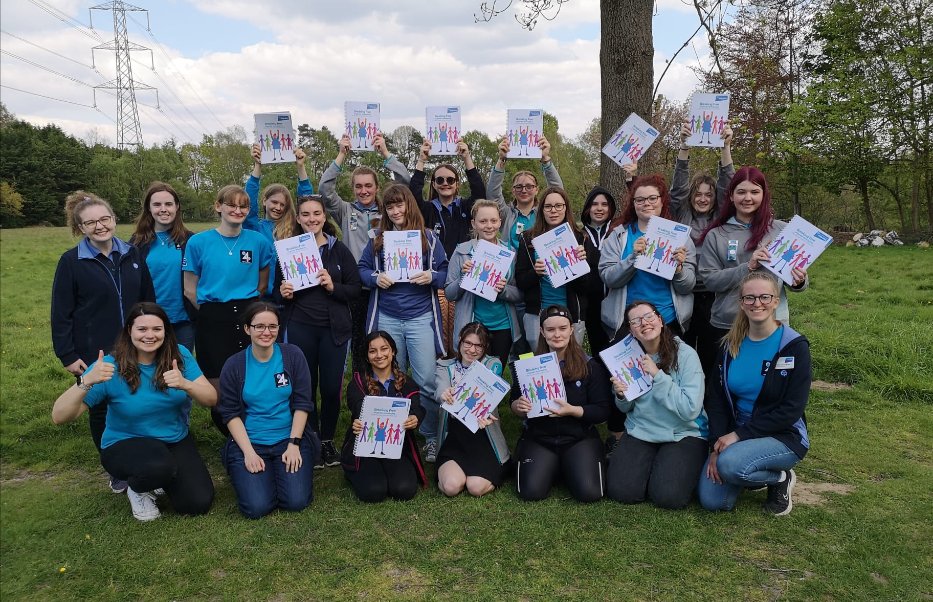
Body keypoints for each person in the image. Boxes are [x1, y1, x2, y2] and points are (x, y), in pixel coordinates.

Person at [52, 302, 216, 521]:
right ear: (129, 331)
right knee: (159, 466)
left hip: (173, 439)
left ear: (166, 331)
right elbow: (59, 416)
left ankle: (159, 478)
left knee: (197, 503)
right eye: (142, 329)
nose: (150, 335)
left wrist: (187, 384)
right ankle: (138, 488)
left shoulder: (179, 356)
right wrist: (87, 381)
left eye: (157, 329)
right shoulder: (110, 367)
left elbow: (211, 399)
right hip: (124, 443)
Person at [51, 191, 155, 493]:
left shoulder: (132, 254)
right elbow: (61, 313)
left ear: (114, 219)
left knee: (137, 400)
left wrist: (153, 337)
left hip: (138, 345)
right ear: (80, 227)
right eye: (90, 222)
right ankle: (116, 468)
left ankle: (146, 460)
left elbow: (148, 299)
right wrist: (67, 355)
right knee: (101, 409)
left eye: (104, 219)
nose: (99, 226)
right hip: (94, 351)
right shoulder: (71, 262)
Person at [697, 272, 812, 515]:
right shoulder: (730, 345)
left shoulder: (794, 346)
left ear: (775, 301)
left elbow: (792, 409)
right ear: (741, 303)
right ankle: (747, 469)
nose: (756, 303)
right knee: (713, 502)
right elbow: (715, 399)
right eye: (749, 298)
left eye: (764, 297)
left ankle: (780, 477)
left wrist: (738, 437)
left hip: (781, 433)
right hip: (736, 431)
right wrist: (717, 444)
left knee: (729, 465)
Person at [598, 175, 697, 452]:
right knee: (624, 378)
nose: (646, 204)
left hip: (666, 319)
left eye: (652, 198)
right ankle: (618, 436)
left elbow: (689, 284)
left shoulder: (680, 236)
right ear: (633, 202)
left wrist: (678, 268)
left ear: (662, 200)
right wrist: (632, 259)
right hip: (626, 321)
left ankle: (669, 434)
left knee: (666, 376)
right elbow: (607, 276)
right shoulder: (620, 234)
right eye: (640, 199)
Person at [357, 184, 448, 462]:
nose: (396, 211)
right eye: (390, 207)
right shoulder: (377, 239)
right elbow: (361, 269)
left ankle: (430, 436)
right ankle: (388, 434)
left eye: (400, 205)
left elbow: (445, 272)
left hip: (420, 317)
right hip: (387, 317)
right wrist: (375, 278)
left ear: (409, 205)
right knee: (388, 377)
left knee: (425, 379)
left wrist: (430, 276)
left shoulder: (429, 238)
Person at [183, 185, 275, 433]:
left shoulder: (258, 241)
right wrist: (211, 312)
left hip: (248, 311)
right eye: (231, 205)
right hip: (213, 314)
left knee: (252, 371)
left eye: (243, 206)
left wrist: (248, 307)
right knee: (217, 376)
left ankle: (256, 426)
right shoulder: (198, 242)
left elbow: (263, 282)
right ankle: (229, 432)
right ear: (218, 206)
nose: (237, 210)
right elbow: (189, 288)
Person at [278, 195, 361, 469]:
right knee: (304, 387)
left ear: (325, 217)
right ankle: (309, 439)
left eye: (316, 214)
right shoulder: (288, 250)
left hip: (333, 331)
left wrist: (332, 286)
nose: (311, 219)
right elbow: (278, 291)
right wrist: (284, 292)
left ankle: (326, 441)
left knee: (329, 387)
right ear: (298, 218)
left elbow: (355, 290)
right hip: (300, 327)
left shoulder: (339, 251)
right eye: (305, 214)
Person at [697, 166, 809, 369]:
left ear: (764, 195)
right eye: (741, 192)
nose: (747, 198)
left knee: (768, 382)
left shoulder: (781, 230)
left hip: (772, 323)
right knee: (727, 382)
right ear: (731, 196)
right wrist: (747, 267)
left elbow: (795, 280)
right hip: (727, 324)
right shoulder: (717, 234)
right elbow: (711, 280)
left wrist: (800, 280)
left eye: (755, 192)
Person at [319, 133, 411, 374]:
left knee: (386, 340)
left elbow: (405, 182)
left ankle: (392, 385)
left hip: (387, 286)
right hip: (356, 289)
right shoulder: (345, 210)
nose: (363, 190)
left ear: (377, 187)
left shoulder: (388, 211)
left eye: (368, 185)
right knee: (361, 339)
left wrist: (385, 153)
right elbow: (325, 190)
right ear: (353, 188)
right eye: (358, 186)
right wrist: (341, 154)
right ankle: (363, 384)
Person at [217, 302, 317, 519]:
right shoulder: (234, 365)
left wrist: (294, 444)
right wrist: (249, 453)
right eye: (259, 326)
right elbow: (230, 413)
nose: (266, 332)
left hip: (287, 439)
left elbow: (303, 403)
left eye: (273, 326)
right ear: (247, 329)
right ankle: (259, 476)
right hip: (251, 441)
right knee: (257, 507)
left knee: (296, 501)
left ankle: (276, 475)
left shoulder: (293, 356)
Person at [605, 301, 708, 509]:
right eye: (635, 321)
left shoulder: (686, 355)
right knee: (621, 491)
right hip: (642, 430)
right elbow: (625, 409)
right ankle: (653, 465)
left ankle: (679, 467)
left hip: (683, 432)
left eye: (649, 317)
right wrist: (622, 396)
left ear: (660, 321)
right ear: (631, 330)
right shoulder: (626, 358)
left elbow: (690, 410)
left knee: (668, 497)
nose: (644, 323)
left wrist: (657, 375)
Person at [510, 305, 612, 502]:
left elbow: (602, 411)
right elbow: (513, 402)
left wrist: (573, 411)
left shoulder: (590, 365)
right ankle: (554, 466)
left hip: (578, 438)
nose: (557, 334)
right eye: (550, 329)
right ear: (542, 331)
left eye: (562, 328)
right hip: (540, 438)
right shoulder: (528, 365)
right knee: (531, 492)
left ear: (571, 329)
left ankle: (570, 464)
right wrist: (518, 407)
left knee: (590, 493)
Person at [409, 138, 487, 353]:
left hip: (464, 274)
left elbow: (480, 192)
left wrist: (467, 158)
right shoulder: (427, 209)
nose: (445, 183)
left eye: (450, 180)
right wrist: (422, 160)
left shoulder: (465, 206)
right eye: (440, 179)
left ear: (457, 183)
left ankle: (460, 366)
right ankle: (442, 368)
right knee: (440, 330)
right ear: (433, 184)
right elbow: (412, 194)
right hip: (437, 277)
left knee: (462, 329)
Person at [670, 123, 735, 375]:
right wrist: (685, 147)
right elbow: (677, 186)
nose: (703, 198)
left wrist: (726, 147)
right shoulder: (681, 213)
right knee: (683, 352)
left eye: (708, 194)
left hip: (713, 295)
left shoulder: (721, 218)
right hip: (684, 293)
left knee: (711, 354)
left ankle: (710, 402)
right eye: (698, 193)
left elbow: (728, 184)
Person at [340, 331, 426, 502]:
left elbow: (418, 408)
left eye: (384, 349)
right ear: (366, 355)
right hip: (366, 449)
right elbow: (357, 409)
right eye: (373, 351)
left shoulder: (407, 382)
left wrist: (415, 418)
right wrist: (358, 422)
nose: (379, 355)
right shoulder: (358, 382)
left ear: (393, 351)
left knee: (404, 490)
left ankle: (391, 473)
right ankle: (353, 472)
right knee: (374, 492)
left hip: (397, 447)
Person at [426, 323, 510, 497]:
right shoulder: (445, 365)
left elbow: (488, 391)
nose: (472, 350)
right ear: (460, 341)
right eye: (468, 343)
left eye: (479, 345)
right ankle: (456, 473)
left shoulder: (492, 364)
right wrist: (444, 393)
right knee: (451, 487)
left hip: (483, 435)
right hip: (454, 436)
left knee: (475, 488)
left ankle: (493, 470)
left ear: (485, 347)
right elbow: (440, 388)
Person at [444, 199, 522, 367]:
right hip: (473, 327)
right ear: (474, 223)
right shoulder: (462, 252)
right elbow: (449, 294)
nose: (489, 226)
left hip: (503, 326)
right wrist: (464, 277)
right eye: (483, 221)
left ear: (500, 222)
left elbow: (519, 294)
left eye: (493, 221)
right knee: (471, 374)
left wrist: (503, 290)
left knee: (495, 374)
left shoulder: (509, 253)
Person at [514, 187, 592, 350]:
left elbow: (588, 287)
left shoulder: (580, 238)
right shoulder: (528, 239)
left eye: (559, 206)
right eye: (548, 206)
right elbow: (520, 281)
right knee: (542, 363)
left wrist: (580, 265)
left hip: (571, 313)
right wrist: (535, 273)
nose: (553, 211)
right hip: (537, 314)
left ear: (566, 208)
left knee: (571, 364)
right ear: (541, 209)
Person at [129, 182, 196, 351]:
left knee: (179, 370)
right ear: (149, 209)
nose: (163, 209)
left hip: (183, 321)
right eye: (157, 204)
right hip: (148, 322)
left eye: (168, 204)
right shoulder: (136, 243)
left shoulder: (191, 240)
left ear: (177, 207)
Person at [246, 144, 313, 296]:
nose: (278, 207)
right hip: (261, 294)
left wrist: (300, 167)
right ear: (264, 201)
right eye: (274, 202)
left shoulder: (294, 227)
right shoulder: (255, 227)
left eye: (283, 204)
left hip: (290, 294)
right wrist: (258, 166)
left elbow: (307, 200)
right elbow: (249, 201)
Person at [486, 135, 564, 252]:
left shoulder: (544, 213)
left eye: (529, 186)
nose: (524, 190)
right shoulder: (506, 215)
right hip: (512, 268)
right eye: (519, 187)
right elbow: (493, 193)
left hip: (539, 266)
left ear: (537, 189)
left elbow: (557, 192)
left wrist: (545, 159)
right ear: (513, 190)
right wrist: (501, 160)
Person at [579, 186, 619, 355]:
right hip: (589, 304)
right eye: (595, 204)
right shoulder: (578, 235)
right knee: (598, 351)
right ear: (588, 207)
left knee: (617, 348)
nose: (599, 208)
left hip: (615, 300)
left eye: (604, 204)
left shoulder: (618, 231)